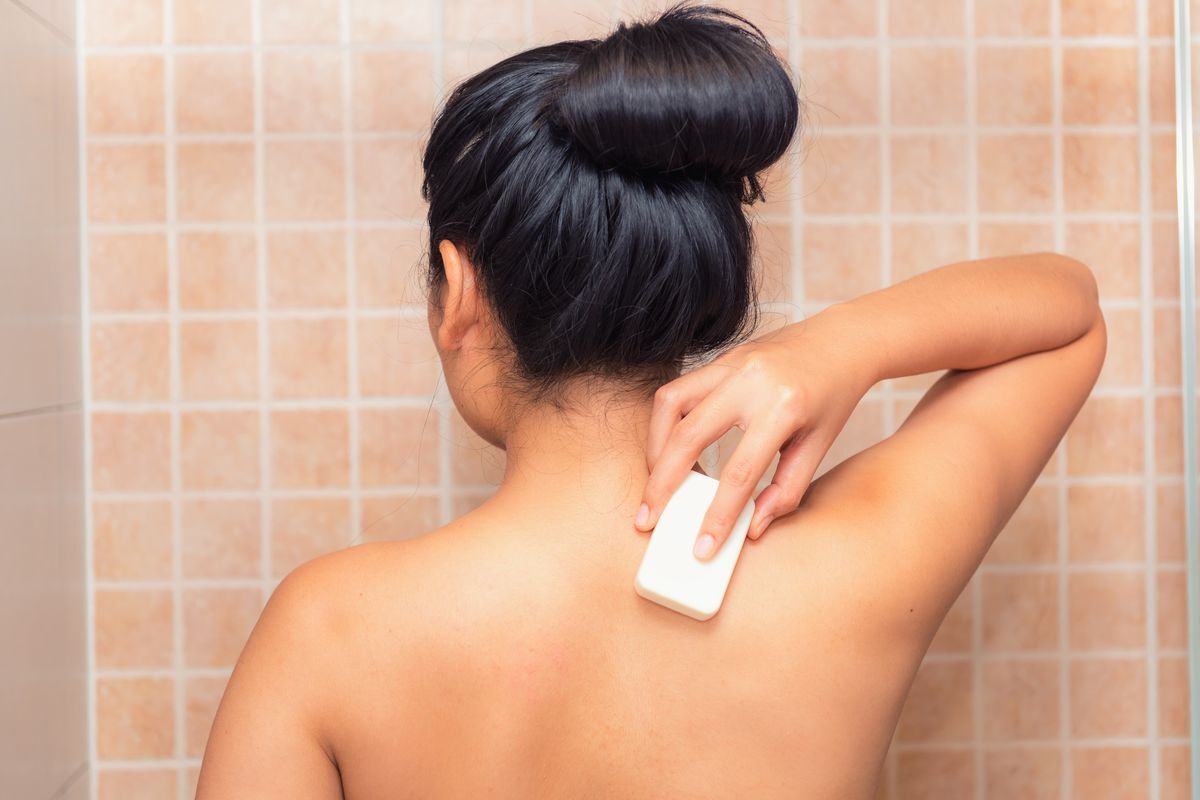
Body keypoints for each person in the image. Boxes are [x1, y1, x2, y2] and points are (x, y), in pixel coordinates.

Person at [194, 4, 1106, 797]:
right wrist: (836, 346)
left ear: (457, 289)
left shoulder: (327, 632)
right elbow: (1069, 314)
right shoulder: (856, 575)